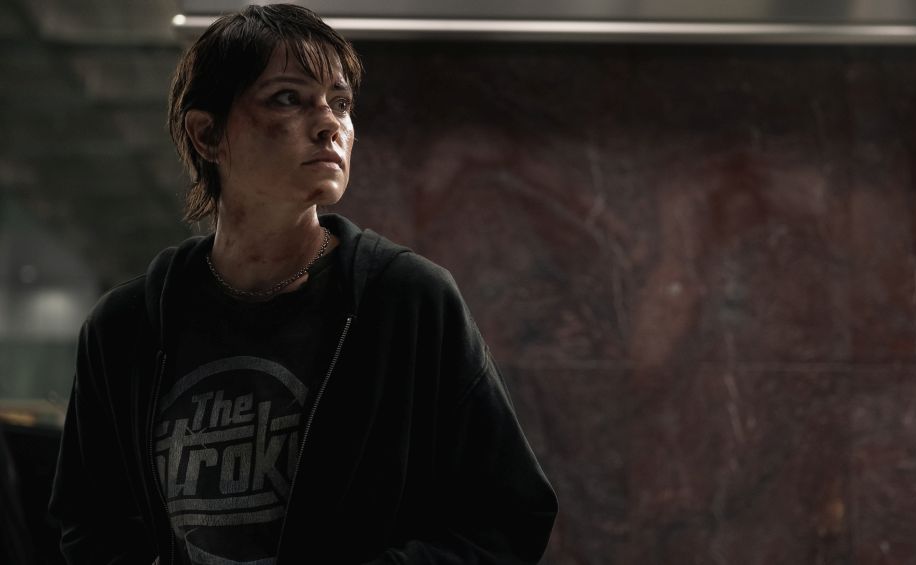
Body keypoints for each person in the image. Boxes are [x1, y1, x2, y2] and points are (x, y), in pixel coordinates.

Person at [48, 4, 558, 564]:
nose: (329, 123)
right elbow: (91, 523)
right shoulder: (127, 326)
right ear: (207, 133)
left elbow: (508, 519)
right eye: (288, 98)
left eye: (340, 103)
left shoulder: (406, 299)